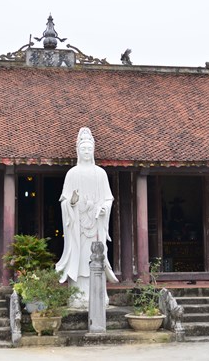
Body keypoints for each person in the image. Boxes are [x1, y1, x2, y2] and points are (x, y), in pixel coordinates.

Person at [56, 127, 118, 308]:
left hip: (96, 225)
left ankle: (98, 295)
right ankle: (78, 296)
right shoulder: (72, 174)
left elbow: (108, 198)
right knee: (80, 259)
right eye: (83, 148)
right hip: (78, 227)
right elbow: (64, 200)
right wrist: (72, 202)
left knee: (96, 258)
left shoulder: (100, 174)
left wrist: (104, 208)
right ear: (78, 150)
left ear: (93, 150)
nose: (86, 151)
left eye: (89, 148)